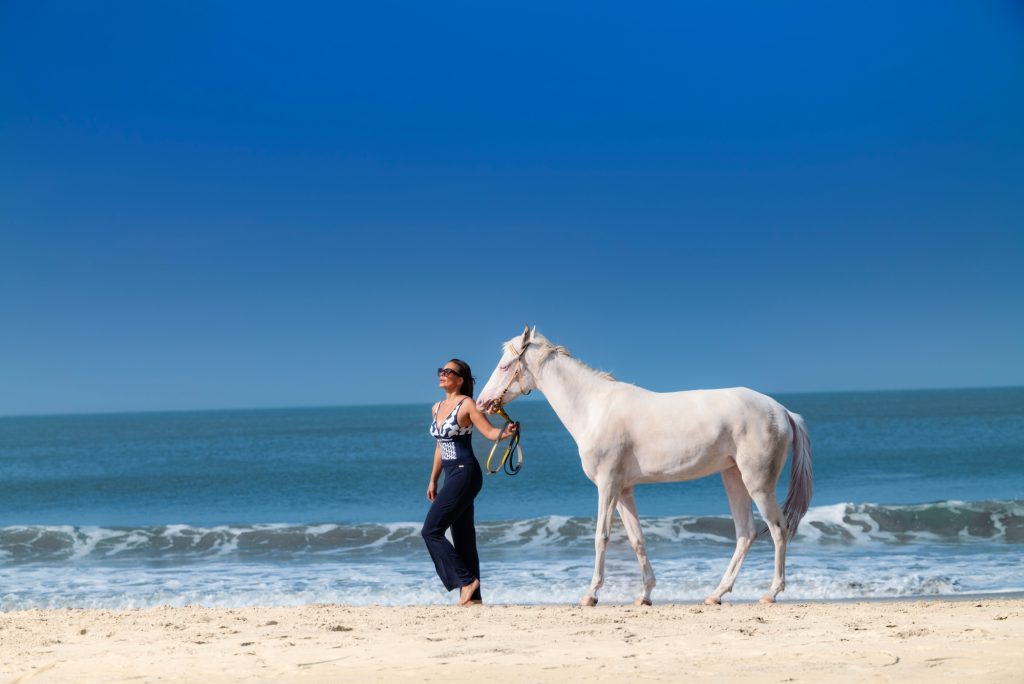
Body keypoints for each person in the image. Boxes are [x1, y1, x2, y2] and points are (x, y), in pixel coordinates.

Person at [422, 358, 517, 606]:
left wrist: (506, 432)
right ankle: (474, 598)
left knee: (431, 530)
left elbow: (489, 432)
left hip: (466, 473)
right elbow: (440, 447)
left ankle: (465, 581)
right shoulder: (437, 407)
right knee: (463, 537)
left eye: (448, 371)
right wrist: (433, 479)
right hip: (451, 475)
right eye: (440, 370)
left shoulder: (467, 405)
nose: (442, 374)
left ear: (461, 379)